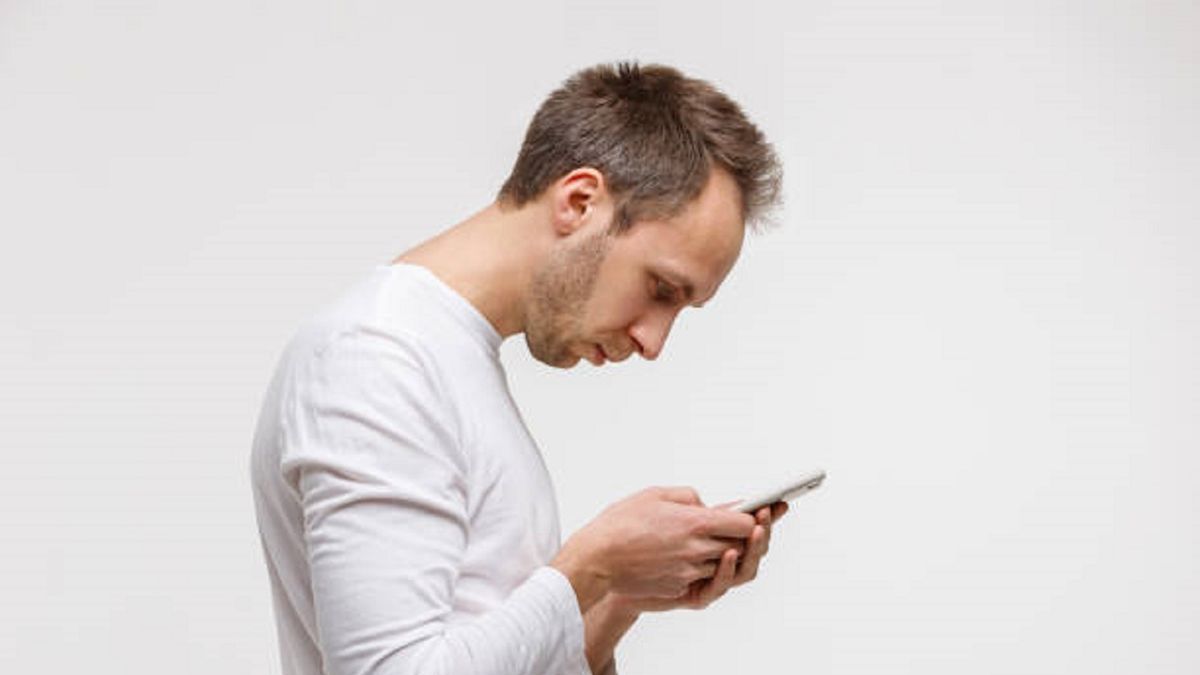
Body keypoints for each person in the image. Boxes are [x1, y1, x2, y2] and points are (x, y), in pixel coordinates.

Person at [250, 61, 787, 675]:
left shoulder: (444, 357)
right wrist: (594, 568)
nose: (654, 341)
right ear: (580, 202)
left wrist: (618, 602)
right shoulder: (377, 358)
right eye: (661, 288)